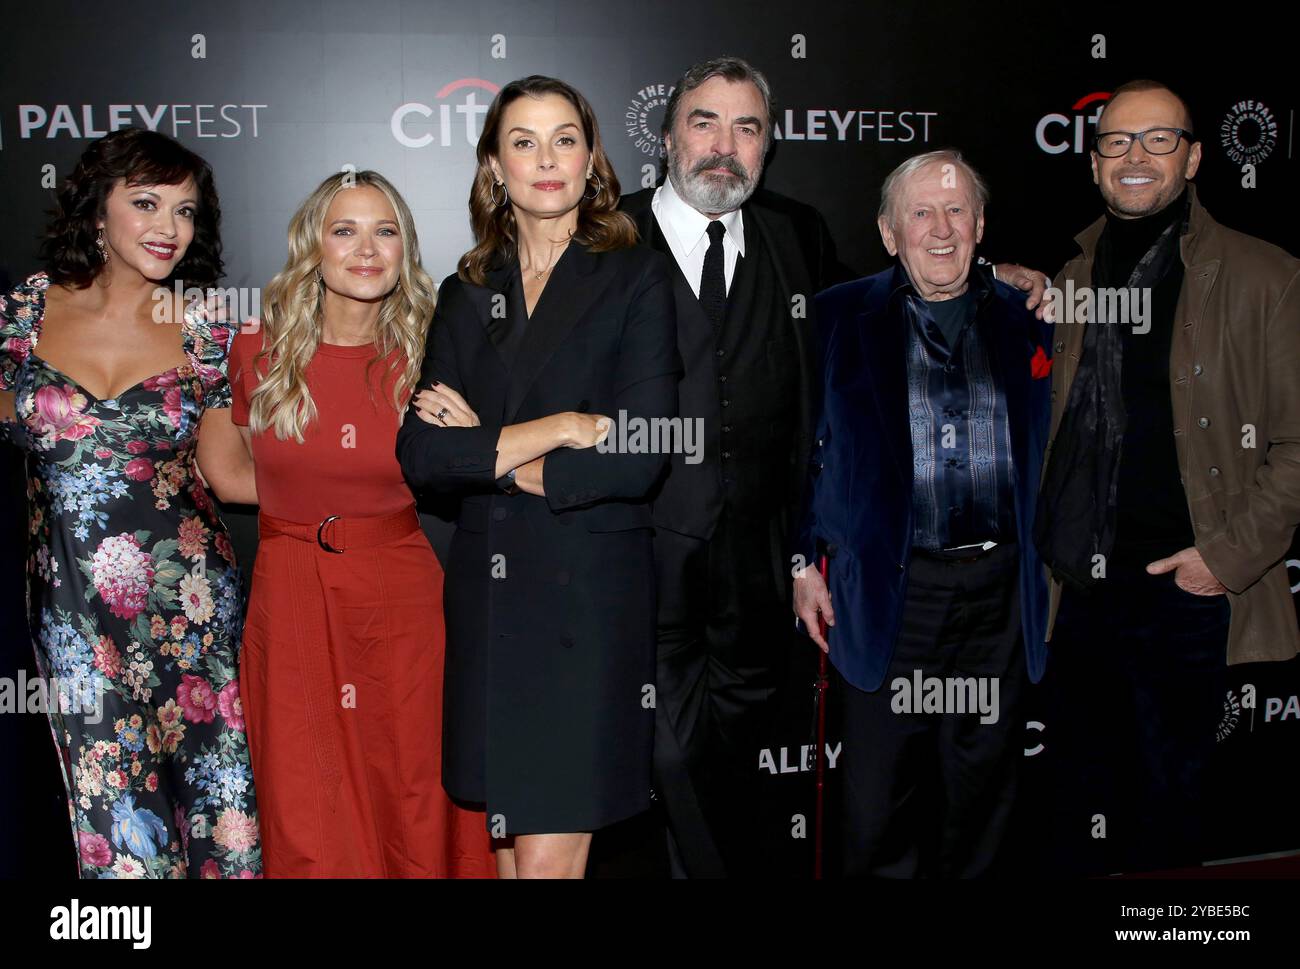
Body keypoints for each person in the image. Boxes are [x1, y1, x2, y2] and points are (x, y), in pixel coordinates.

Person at [619, 55, 1051, 878]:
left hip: (759, 578)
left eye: (747, 126)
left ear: (769, 143)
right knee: (676, 769)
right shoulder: (606, 236)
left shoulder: (797, 237)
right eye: (705, 121)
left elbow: (836, 401)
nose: (725, 144)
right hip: (644, 566)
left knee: (957, 788)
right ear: (670, 133)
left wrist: (1008, 280)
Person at [396, 75, 680, 879]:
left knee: (551, 858)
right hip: (490, 603)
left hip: (586, 600)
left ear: (593, 159)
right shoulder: (464, 292)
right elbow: (421, 455)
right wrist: (556, 430)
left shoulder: (635, 278)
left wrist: (489, 451)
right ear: (495, 165)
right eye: (523, 141)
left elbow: (641, 451)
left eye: (565, 139)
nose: (546, 159)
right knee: (516, 860)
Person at [1036, 80, 1300, 874]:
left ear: (1193, 157)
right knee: (1078, 810)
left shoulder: (1265, 276)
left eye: (1158, 140)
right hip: (1077, 592)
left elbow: (1296, 443)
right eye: (1117, 142)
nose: (1136, 157)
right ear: (1094, 165)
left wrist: (1220, 560)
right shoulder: (1073, 277)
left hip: (1184, 593)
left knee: (1170, 819)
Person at [0, 128, 260, 878]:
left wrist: (373, 476)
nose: (168, 228)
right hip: (74, 621)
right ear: (96, 210)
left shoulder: (209, 327)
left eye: (184, 212)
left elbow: (227, 471)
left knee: (215, 817)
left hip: (195, 618)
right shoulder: (23, 314)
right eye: (146, 203)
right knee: (115, 836)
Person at [792, 150, 1053, 877]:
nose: (941, 229)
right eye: (920, 212)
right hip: (888, 597)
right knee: (873, 810)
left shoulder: (1034, 317)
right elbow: (795, 454)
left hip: (999, 597)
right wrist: (799, 562)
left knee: (983, 801)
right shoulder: (835, 317)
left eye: (956, 210)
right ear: (887, 231)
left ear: (980, 224)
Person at [229, 170, 495, 878]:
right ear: (312, 245)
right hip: (290, 590)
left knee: (411, 787)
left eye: (385, 231)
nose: (367, 248)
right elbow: (227, 472)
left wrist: (475, 438)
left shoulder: (433, 359)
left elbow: (477, 466)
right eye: (344, 230)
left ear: (405, 248)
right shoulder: (258, 349)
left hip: (400, 593)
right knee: (306, 797)